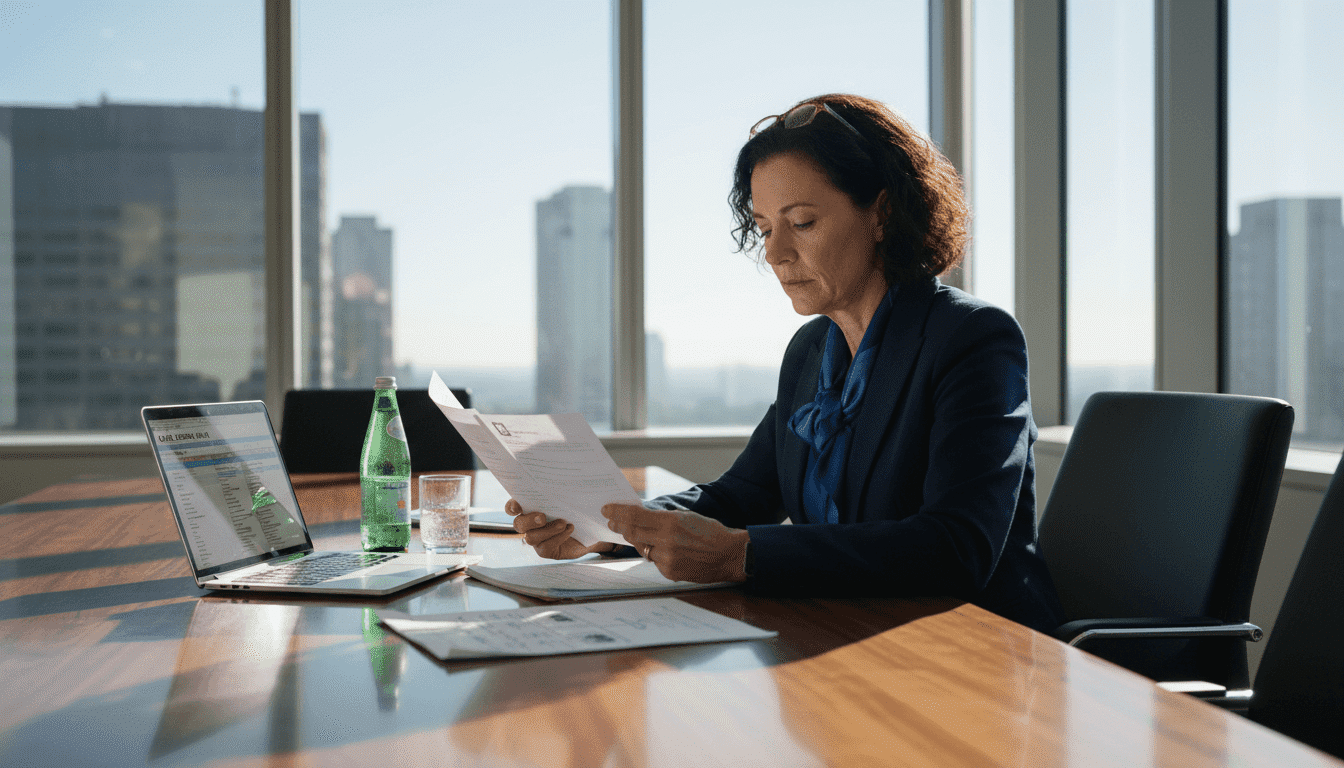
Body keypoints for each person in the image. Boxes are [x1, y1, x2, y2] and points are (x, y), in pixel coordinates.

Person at [508, 93, 1064, 634]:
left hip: (974, 651)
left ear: (882, 214)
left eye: (801, 222)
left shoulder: (972, 338)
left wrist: (742, 556)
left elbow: (956, 548)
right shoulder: (810, 351)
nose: (774, 254)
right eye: (766, 228)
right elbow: (740, 496)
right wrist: (606, 525)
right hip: (845, 632)